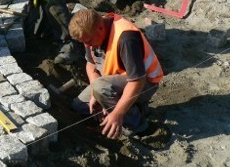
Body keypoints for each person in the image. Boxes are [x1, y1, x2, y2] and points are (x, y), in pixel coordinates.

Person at [68, 8, 163, 138]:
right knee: (79, 106)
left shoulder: (126, 38)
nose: (87, 45)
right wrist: (95, 94)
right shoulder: (90, 32)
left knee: (101, 88)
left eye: (88, 41)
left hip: (144, 84)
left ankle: (137, 124)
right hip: (112, 82)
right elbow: (90, 64)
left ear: (100, 28)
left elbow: (137, 81)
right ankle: (117, 104)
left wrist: (117, 113)